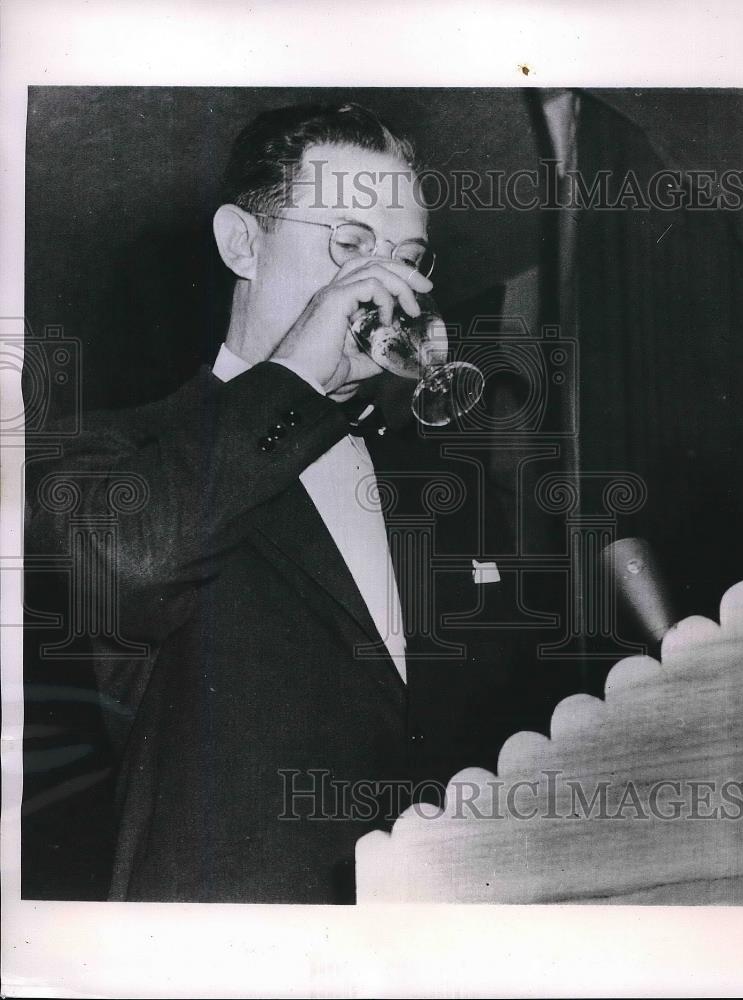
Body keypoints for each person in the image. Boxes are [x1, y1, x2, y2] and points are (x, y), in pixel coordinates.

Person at [25, 102, 528, 903]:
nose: (385, 281)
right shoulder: (110, 451)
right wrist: (296, 377)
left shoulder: (444, 494)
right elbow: (126, 569)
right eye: (351, 243)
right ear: (241, 242)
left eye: (407, 255)